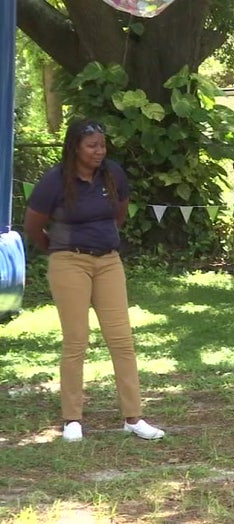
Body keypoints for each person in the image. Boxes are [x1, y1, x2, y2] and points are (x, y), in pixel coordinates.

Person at [23, 119, 165, 442]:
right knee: (76, 340)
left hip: (108, 262)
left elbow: (119, 213)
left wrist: (104, 239)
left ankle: (133, 418)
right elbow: (33, 226)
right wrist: (58, 252)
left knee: (122, 339)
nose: (100, 151)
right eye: (92, 146)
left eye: (102, 145)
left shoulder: (112, 174)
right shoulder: (55, 181)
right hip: (69, 261)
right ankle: (72, 419)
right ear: (75, 147)